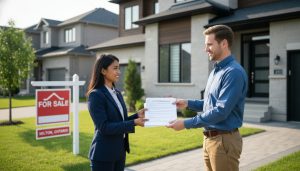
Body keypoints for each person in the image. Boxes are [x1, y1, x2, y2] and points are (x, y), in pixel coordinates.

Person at [167, 25, 248, 171]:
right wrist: (187, 103)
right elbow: (210, 104)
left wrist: (186, 123)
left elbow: (220, 111)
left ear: (224, 43)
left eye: (209, 44)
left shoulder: (233, 73)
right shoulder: (216, 71)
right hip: (210, 140)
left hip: (224, 141)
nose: (206, 49)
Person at [86, 54, 147, 171]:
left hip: (119, 152)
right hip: (103, 155)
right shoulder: (96, 95)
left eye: (119, 68)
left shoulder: (117, 93)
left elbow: (120, 121)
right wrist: (134, 122)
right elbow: (104, 127)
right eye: (115, 68)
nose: (119, 71)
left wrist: (137, 115)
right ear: (103, 70)